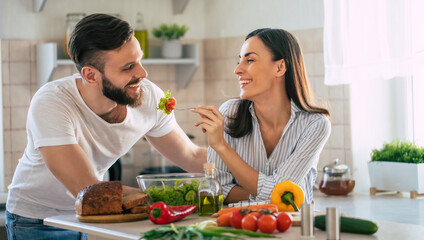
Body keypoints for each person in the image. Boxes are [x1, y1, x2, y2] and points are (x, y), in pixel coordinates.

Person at [5, 14, 206, 240]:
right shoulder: (52, 102)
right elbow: (87, 188)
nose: (142, 73)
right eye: (128, 67)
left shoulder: (148, 96)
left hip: (94, 217)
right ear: (90, 75)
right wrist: (171, 196)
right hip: (37, 220)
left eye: (140, 60)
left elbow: (192, 155)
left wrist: (246, 167)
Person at [193, 28, 331, 205]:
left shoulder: (315, 125)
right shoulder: (229, 113)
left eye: (249, 60)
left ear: (280, 67)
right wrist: (270, 194)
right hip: (238, 227)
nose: (237, 70)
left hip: (293, 229)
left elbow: (280, 190)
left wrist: (221, 145)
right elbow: (218, 189)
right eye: (239, 61)